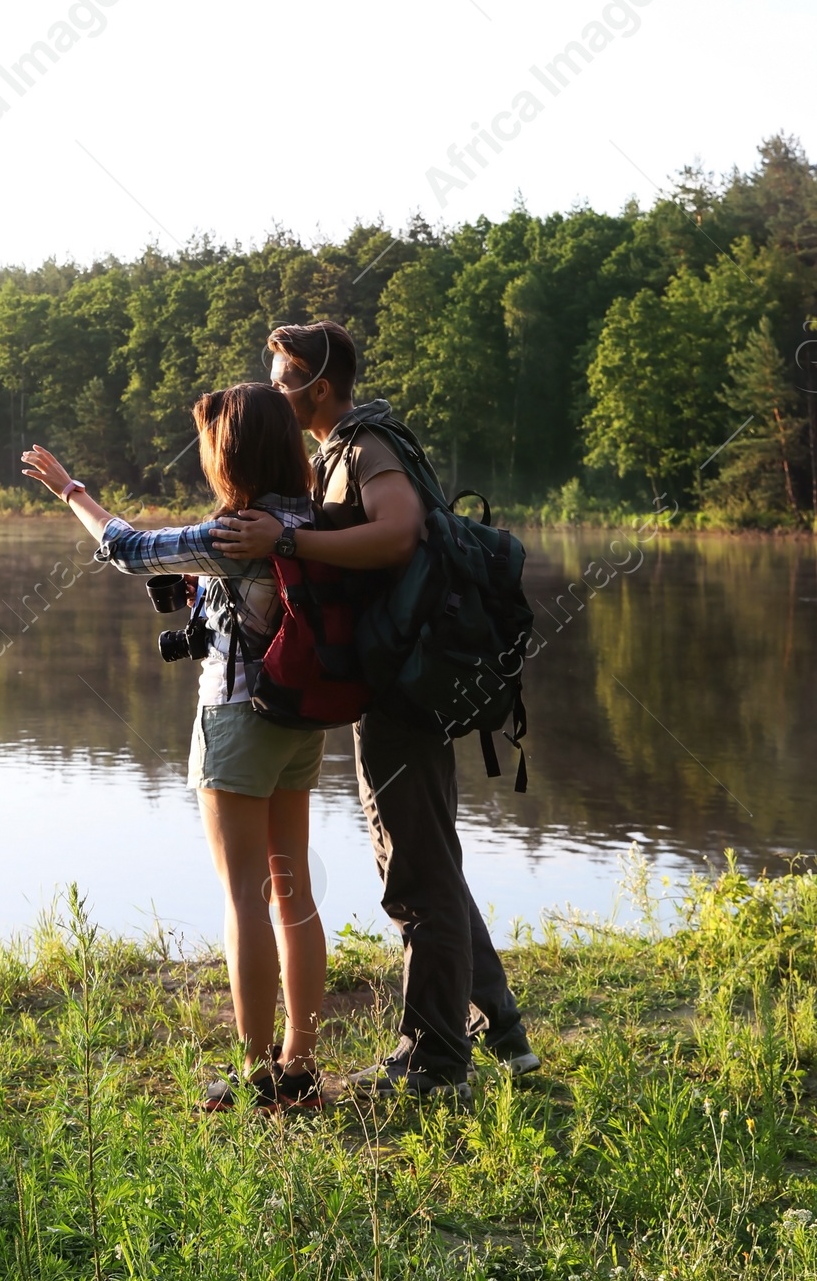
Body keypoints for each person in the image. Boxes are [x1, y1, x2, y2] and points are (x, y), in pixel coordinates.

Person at [218, 318, 539, 1102]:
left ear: (318, 387)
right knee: (433, 863)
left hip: (407, 685)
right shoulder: (341, 450)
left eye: (282, 374)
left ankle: (433, 1065)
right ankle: (503, 1032)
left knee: (414, 875)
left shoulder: (366, 447)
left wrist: (290, 545)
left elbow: (398, 534)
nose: (272, 386)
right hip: (398, 676)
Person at [22, 385, 326, 1112]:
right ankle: (300, 1069)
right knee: (294, 892)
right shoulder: (310, 521)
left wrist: (72, 490)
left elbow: (126, 549)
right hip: (301, 718)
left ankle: (255, 1078)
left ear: (232, 455)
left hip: (237, 719)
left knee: (244, 898)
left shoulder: (236, 531)